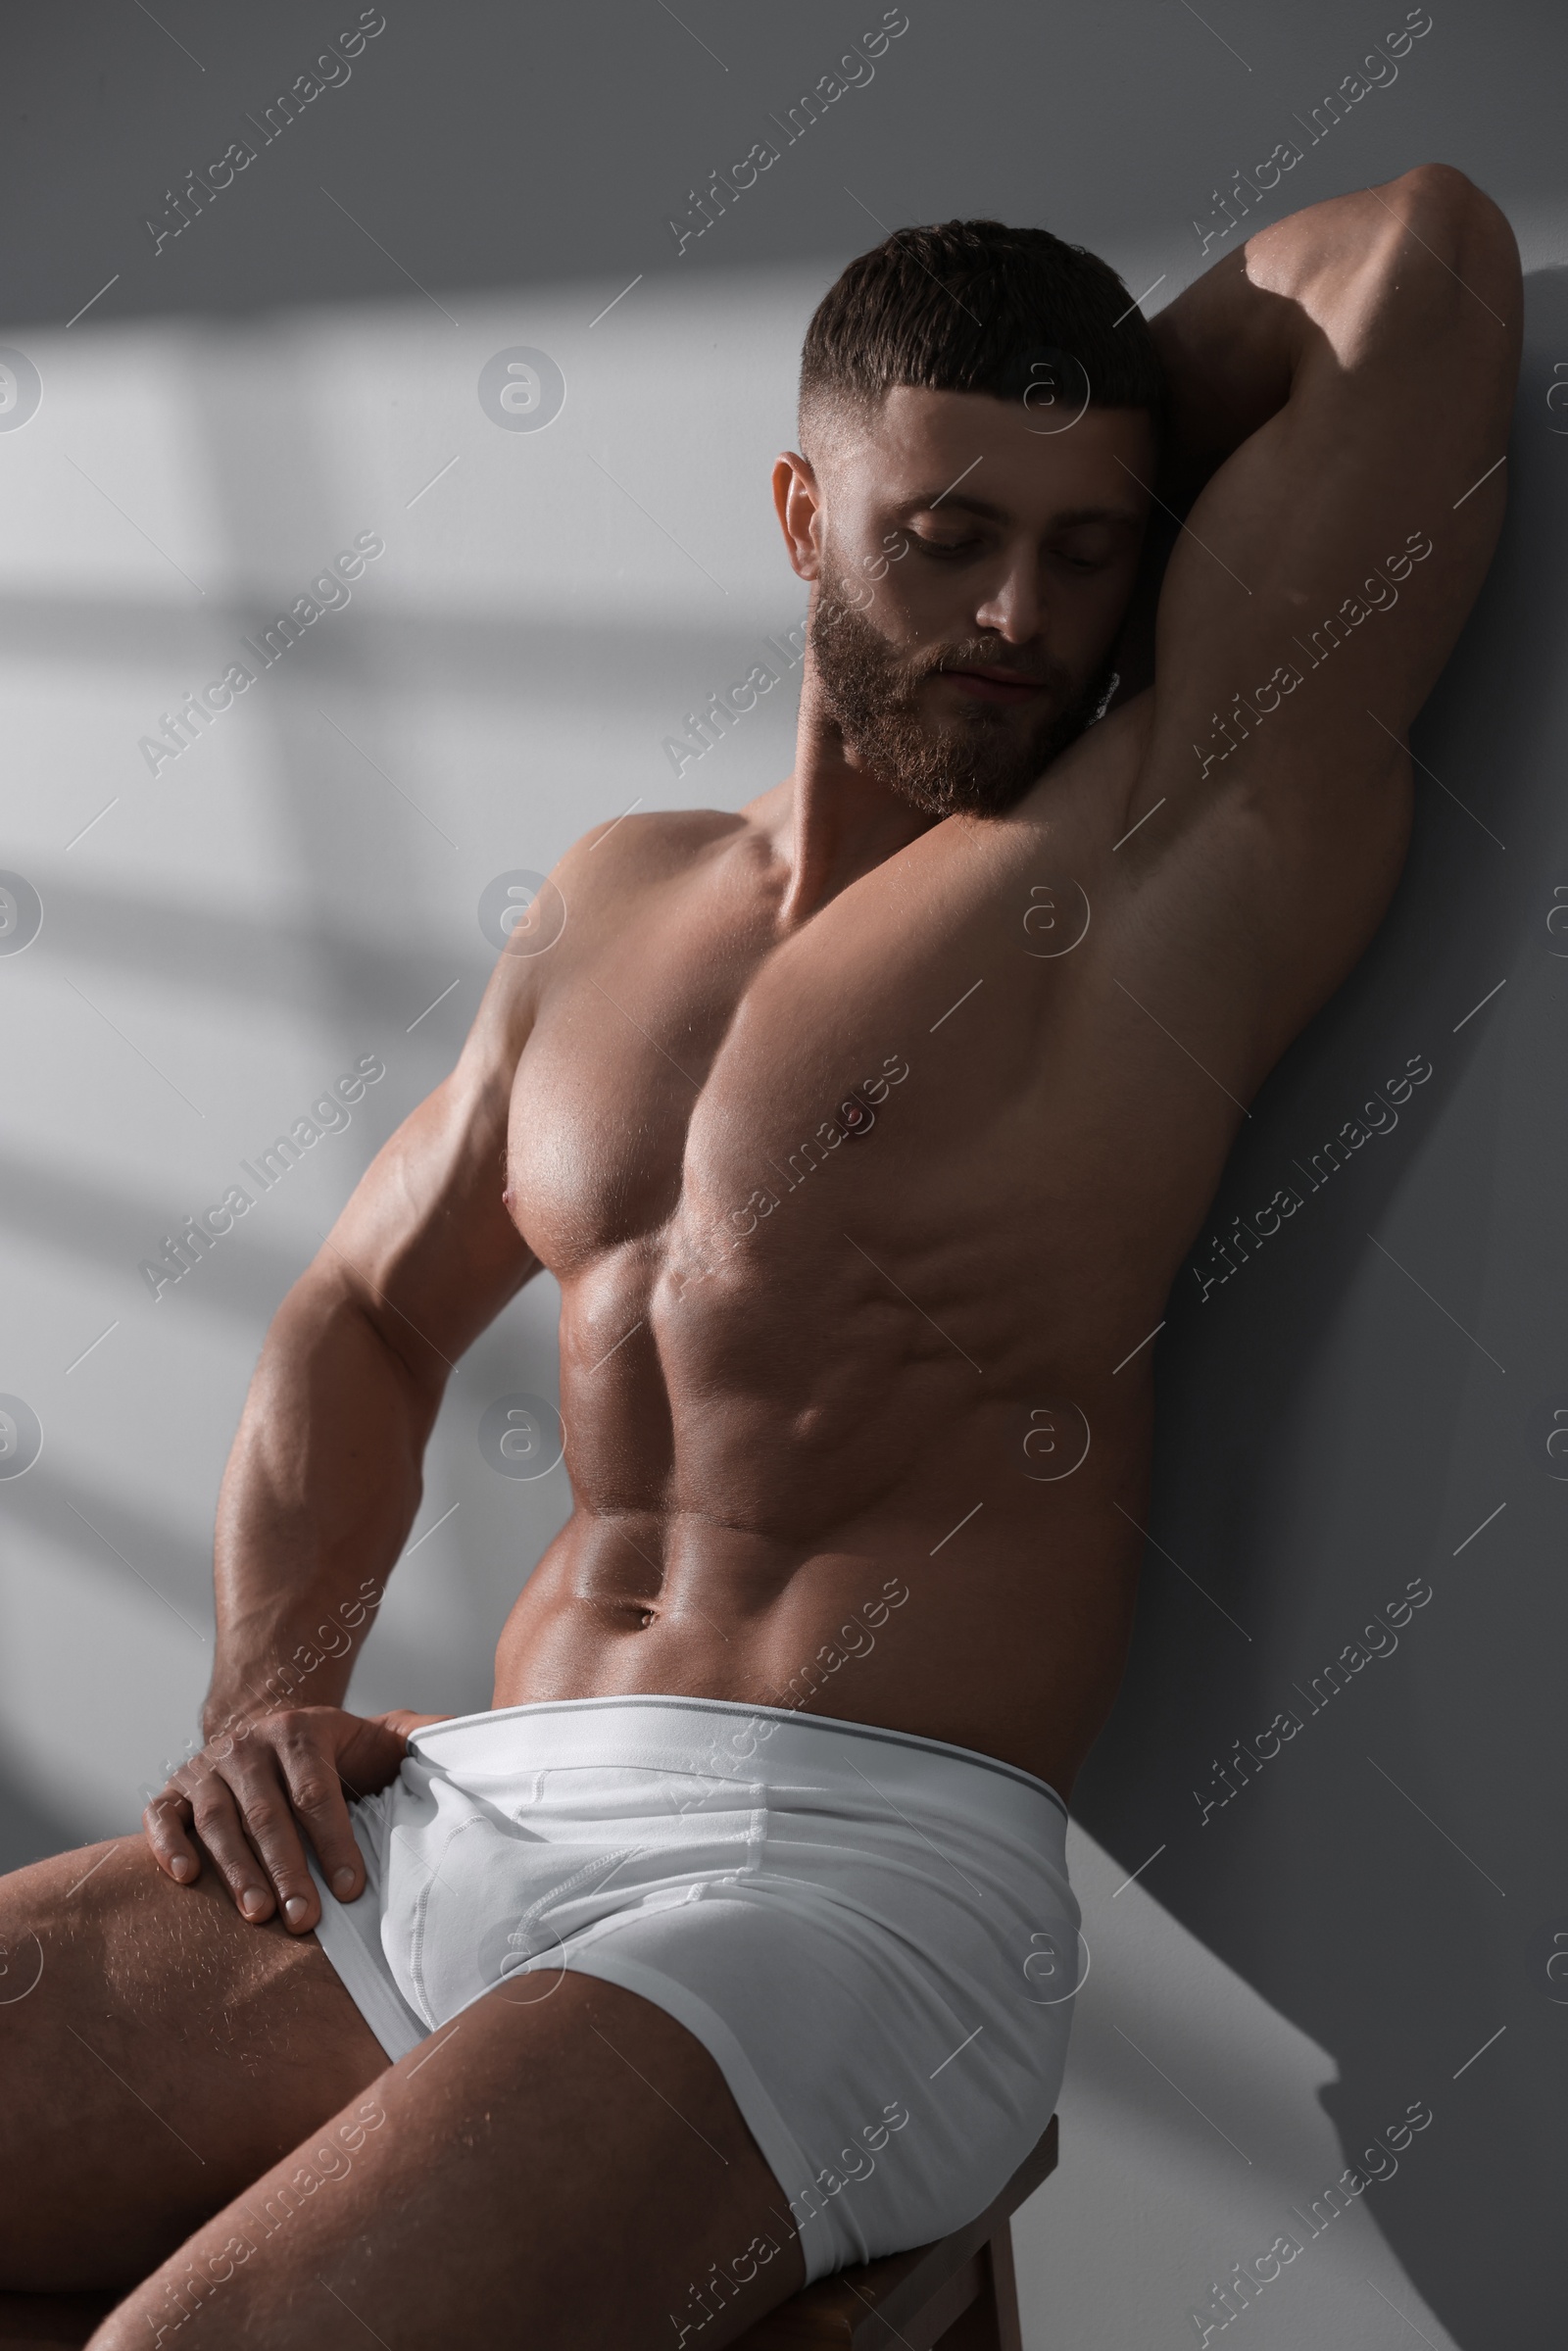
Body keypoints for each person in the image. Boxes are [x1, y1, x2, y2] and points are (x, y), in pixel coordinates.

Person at [0, 169, 1519, 2349]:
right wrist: (262, 1695)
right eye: (943, 537)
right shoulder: (614, 904)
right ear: (800, 512)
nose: (1017, 616)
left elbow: (1420, 257)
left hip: (838, 1894)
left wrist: (1061, 421)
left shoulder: (1166, 842)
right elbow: (360, 1312)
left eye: (1083, 553)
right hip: (454, 1818)